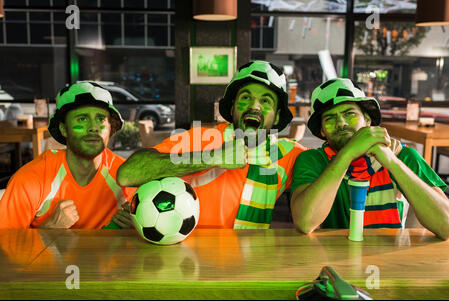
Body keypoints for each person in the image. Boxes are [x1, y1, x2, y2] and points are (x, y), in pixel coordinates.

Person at [118, 61, 307, 229]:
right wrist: (213, 156)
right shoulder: (201, 138)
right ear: (232, 108)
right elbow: (127, 174)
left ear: (278, 116)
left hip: (249, 261)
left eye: (265, 100)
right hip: (189, 261)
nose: (254, 106)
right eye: (245, 97)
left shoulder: (286, 154)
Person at [290, 78, 449, 240]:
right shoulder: (313, 159)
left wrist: (392, 162)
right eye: (330, 119)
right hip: (336, 255)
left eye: (349, 114)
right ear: (322, 131)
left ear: (367, 120)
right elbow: (305, 223)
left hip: (392, 257)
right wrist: (348, 154)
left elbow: (446, 226)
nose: (341, 123)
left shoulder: (402, 155)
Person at [0, 82, 135, 229]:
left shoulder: (127, 177)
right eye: (82, 119)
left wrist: (136, 229)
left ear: (110, 128)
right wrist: (48, 229)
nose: (93, 128)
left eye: (100, 119)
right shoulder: (32, 178)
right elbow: (5, 246)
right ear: (64, 129)